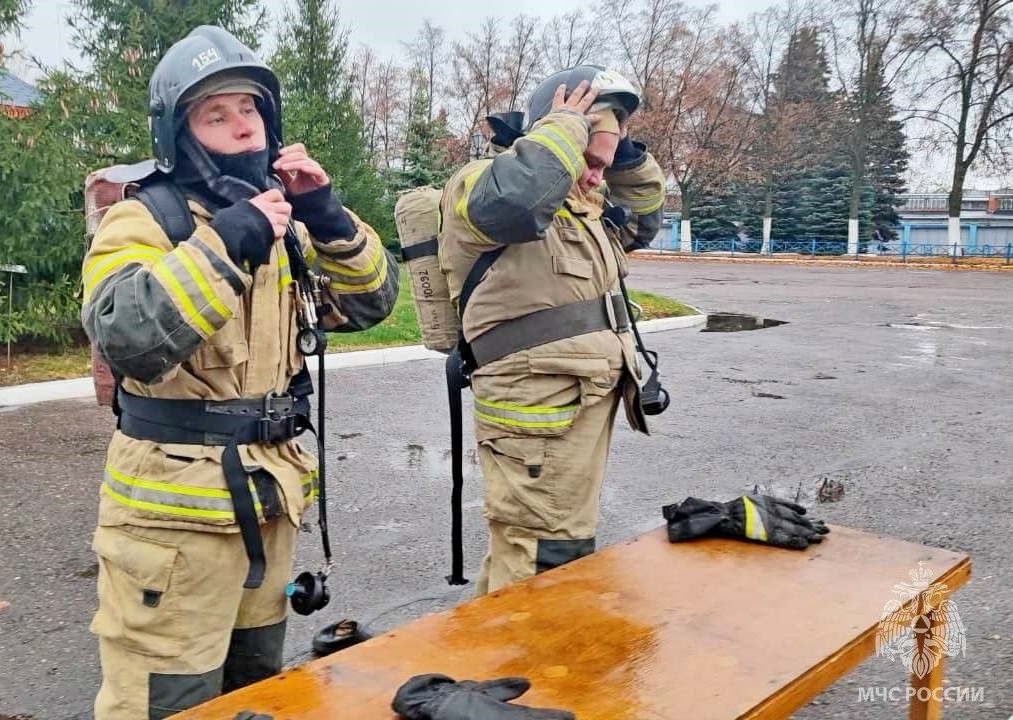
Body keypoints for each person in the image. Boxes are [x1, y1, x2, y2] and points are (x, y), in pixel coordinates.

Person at [80, 25, 397, 720]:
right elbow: (126, 334)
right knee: (167, 703)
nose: (241, 127)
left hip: (267, 508)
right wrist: (227, 241)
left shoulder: (286, 221)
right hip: (172, 529)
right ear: (179, 134)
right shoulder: (144, 219)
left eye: (249, 109)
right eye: (215, 114)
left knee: (255, 695)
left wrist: (326, 213)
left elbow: (374, 300)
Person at [439, 66, 665, 596]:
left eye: (602, 167)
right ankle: (524, 670)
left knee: (551, 551)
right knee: (543, 556)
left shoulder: (588, 208)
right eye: (588, 162)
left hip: (579, 402)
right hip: (535, 411)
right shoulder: (482, 184)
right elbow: (517, 200)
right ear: (553, 134)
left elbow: (645, 222)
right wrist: (565, 127)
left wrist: (623, 155)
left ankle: (505, 661)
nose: (594, 177)